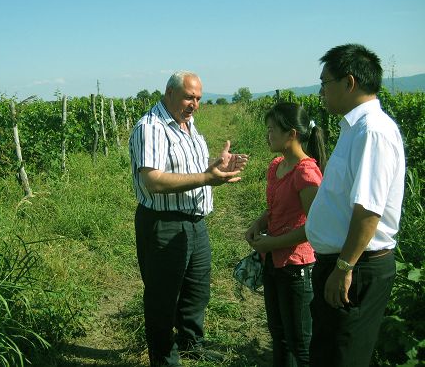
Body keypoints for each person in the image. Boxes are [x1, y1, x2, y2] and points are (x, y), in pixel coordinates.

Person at [129, 70, 249, 367]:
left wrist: (216, 166)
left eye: (198, 97)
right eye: (188, 96)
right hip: (164, 223)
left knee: (197, 290)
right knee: (162, 298)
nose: (194, 103)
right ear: (169, 93)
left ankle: (191, 345)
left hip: (195, 222)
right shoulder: (152, 127)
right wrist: (207, 177)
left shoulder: (189, 125)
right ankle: (164, 358)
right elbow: (153, 180)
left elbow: (189, 168)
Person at [305, 43, 406, 367]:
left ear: (349, 83)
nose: (321, 91)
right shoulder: (355, 129)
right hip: (343, 265)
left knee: (343, 357)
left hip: (356, 268)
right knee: (329, 353)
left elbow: (368, 211)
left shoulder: (372, 132)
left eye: (325, 83)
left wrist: (344, 267)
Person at [245, 102, 327, 367]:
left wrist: (273, 243)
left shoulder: (306, 173)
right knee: (279, 334)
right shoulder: (277, 166)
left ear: (291, 134)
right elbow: (277, 209)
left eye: (272, 130)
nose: (268, 135)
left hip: (296, 267)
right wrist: (259, 223)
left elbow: (313, 228)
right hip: (273, 262)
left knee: (300, 344)